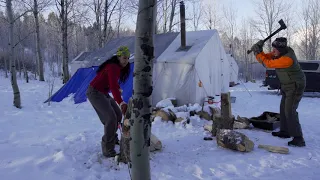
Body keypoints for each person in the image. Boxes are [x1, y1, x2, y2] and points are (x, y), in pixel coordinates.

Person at [250, 37, 306, 147]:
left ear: (281, 50)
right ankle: (285, 131)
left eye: (275, 49)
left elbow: (268, 64)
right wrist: (260, 50)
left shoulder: (287, 58)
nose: (273, 51)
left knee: (290, 110)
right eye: (273, 49)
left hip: (295, 86)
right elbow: (265, 57)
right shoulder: (279, 52)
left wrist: (257, 52)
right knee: (283, 109)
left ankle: (299, 138)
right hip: (286, 85)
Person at [86, 46, 130, 157]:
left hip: (103, 93)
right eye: (124, 58)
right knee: (110, 118)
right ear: (119, 57)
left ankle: (113, 138)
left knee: (118, 115)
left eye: (128, 58)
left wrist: (117, 88)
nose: (126, 61)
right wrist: (121, 102)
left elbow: (112, 82)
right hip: (94, 92)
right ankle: (107, 149)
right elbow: (113, 86)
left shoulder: (117, 67)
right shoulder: (113, 67)